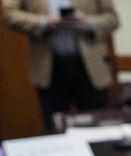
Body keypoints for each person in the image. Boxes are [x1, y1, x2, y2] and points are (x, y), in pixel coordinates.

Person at [2, 0, 120, 132]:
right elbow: (9, 15)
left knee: (96, 131)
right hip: (49, 68)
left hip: (92, 69)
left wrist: (88, 23)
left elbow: (113, 19)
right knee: (55, 130)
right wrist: (44, 22)